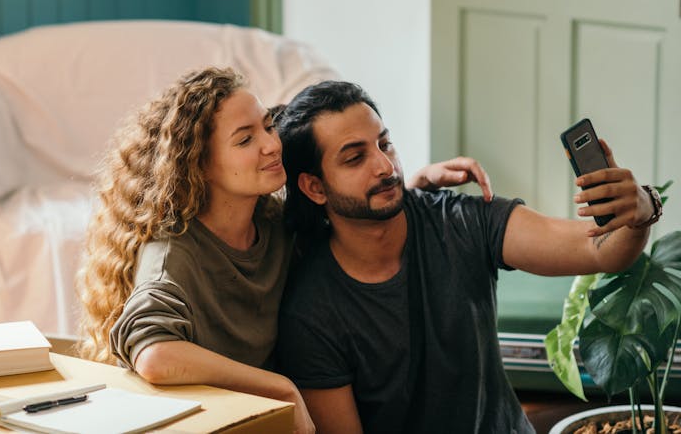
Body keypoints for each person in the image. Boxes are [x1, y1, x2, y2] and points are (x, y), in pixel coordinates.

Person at [76, 67, 495, 434]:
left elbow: (344, 209)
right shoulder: (173, 253)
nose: (272, 145)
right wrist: (279, 386)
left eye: (267, 126)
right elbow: (154, 355)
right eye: (245, 139)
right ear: (198, 165)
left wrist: (409, 187)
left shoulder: (273, 222)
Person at [273, 80, 662, 434]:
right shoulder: (311, 312)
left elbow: (599, 251)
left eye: (384, 143)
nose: (385, 166)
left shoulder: (457, 220)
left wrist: (641, 209)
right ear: (314, 187)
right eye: (355, 158)